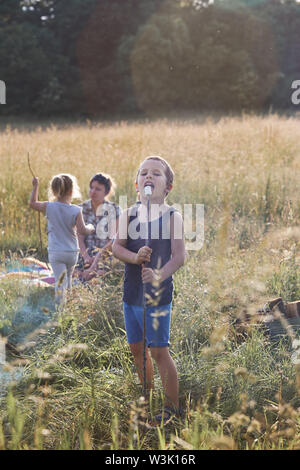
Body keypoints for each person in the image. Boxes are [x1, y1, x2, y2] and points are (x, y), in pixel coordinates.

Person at [112, 156, 185, 425]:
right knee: (137, 348)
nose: (149, 177)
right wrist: (134, 257)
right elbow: (116, 247)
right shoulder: (128, 214)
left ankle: (171, 407)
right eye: (144, 173)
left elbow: (179, 257)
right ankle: (147, 394)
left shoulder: (172, 216)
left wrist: (157, 275)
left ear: (168, 187)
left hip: (157, 296)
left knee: (158, 351)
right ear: (136, 184)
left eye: (156, 173)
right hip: (131, 294)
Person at [29, 174, 95, 305]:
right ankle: (69, 307)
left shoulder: (49, 207)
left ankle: (60, 312)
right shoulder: (76, 210)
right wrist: (91, 227)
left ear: (53, 191)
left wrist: (35, 186)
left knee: (60, 282)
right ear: (71, 191)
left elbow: (32, 203)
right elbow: (82, 230)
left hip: (56, 252)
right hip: (72, 252)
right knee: (68, 279)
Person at [76, 173, 121, 281]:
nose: (93, 191)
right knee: (74, 273)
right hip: (84, 254)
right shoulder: (81, 209)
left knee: (101, 274)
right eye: (91, 188)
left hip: (105, 255)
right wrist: (86, 257)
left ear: (106, 192)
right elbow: (79, 237)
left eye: (98, 189)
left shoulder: (114, 209)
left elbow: (113, 240)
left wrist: (95, 262)